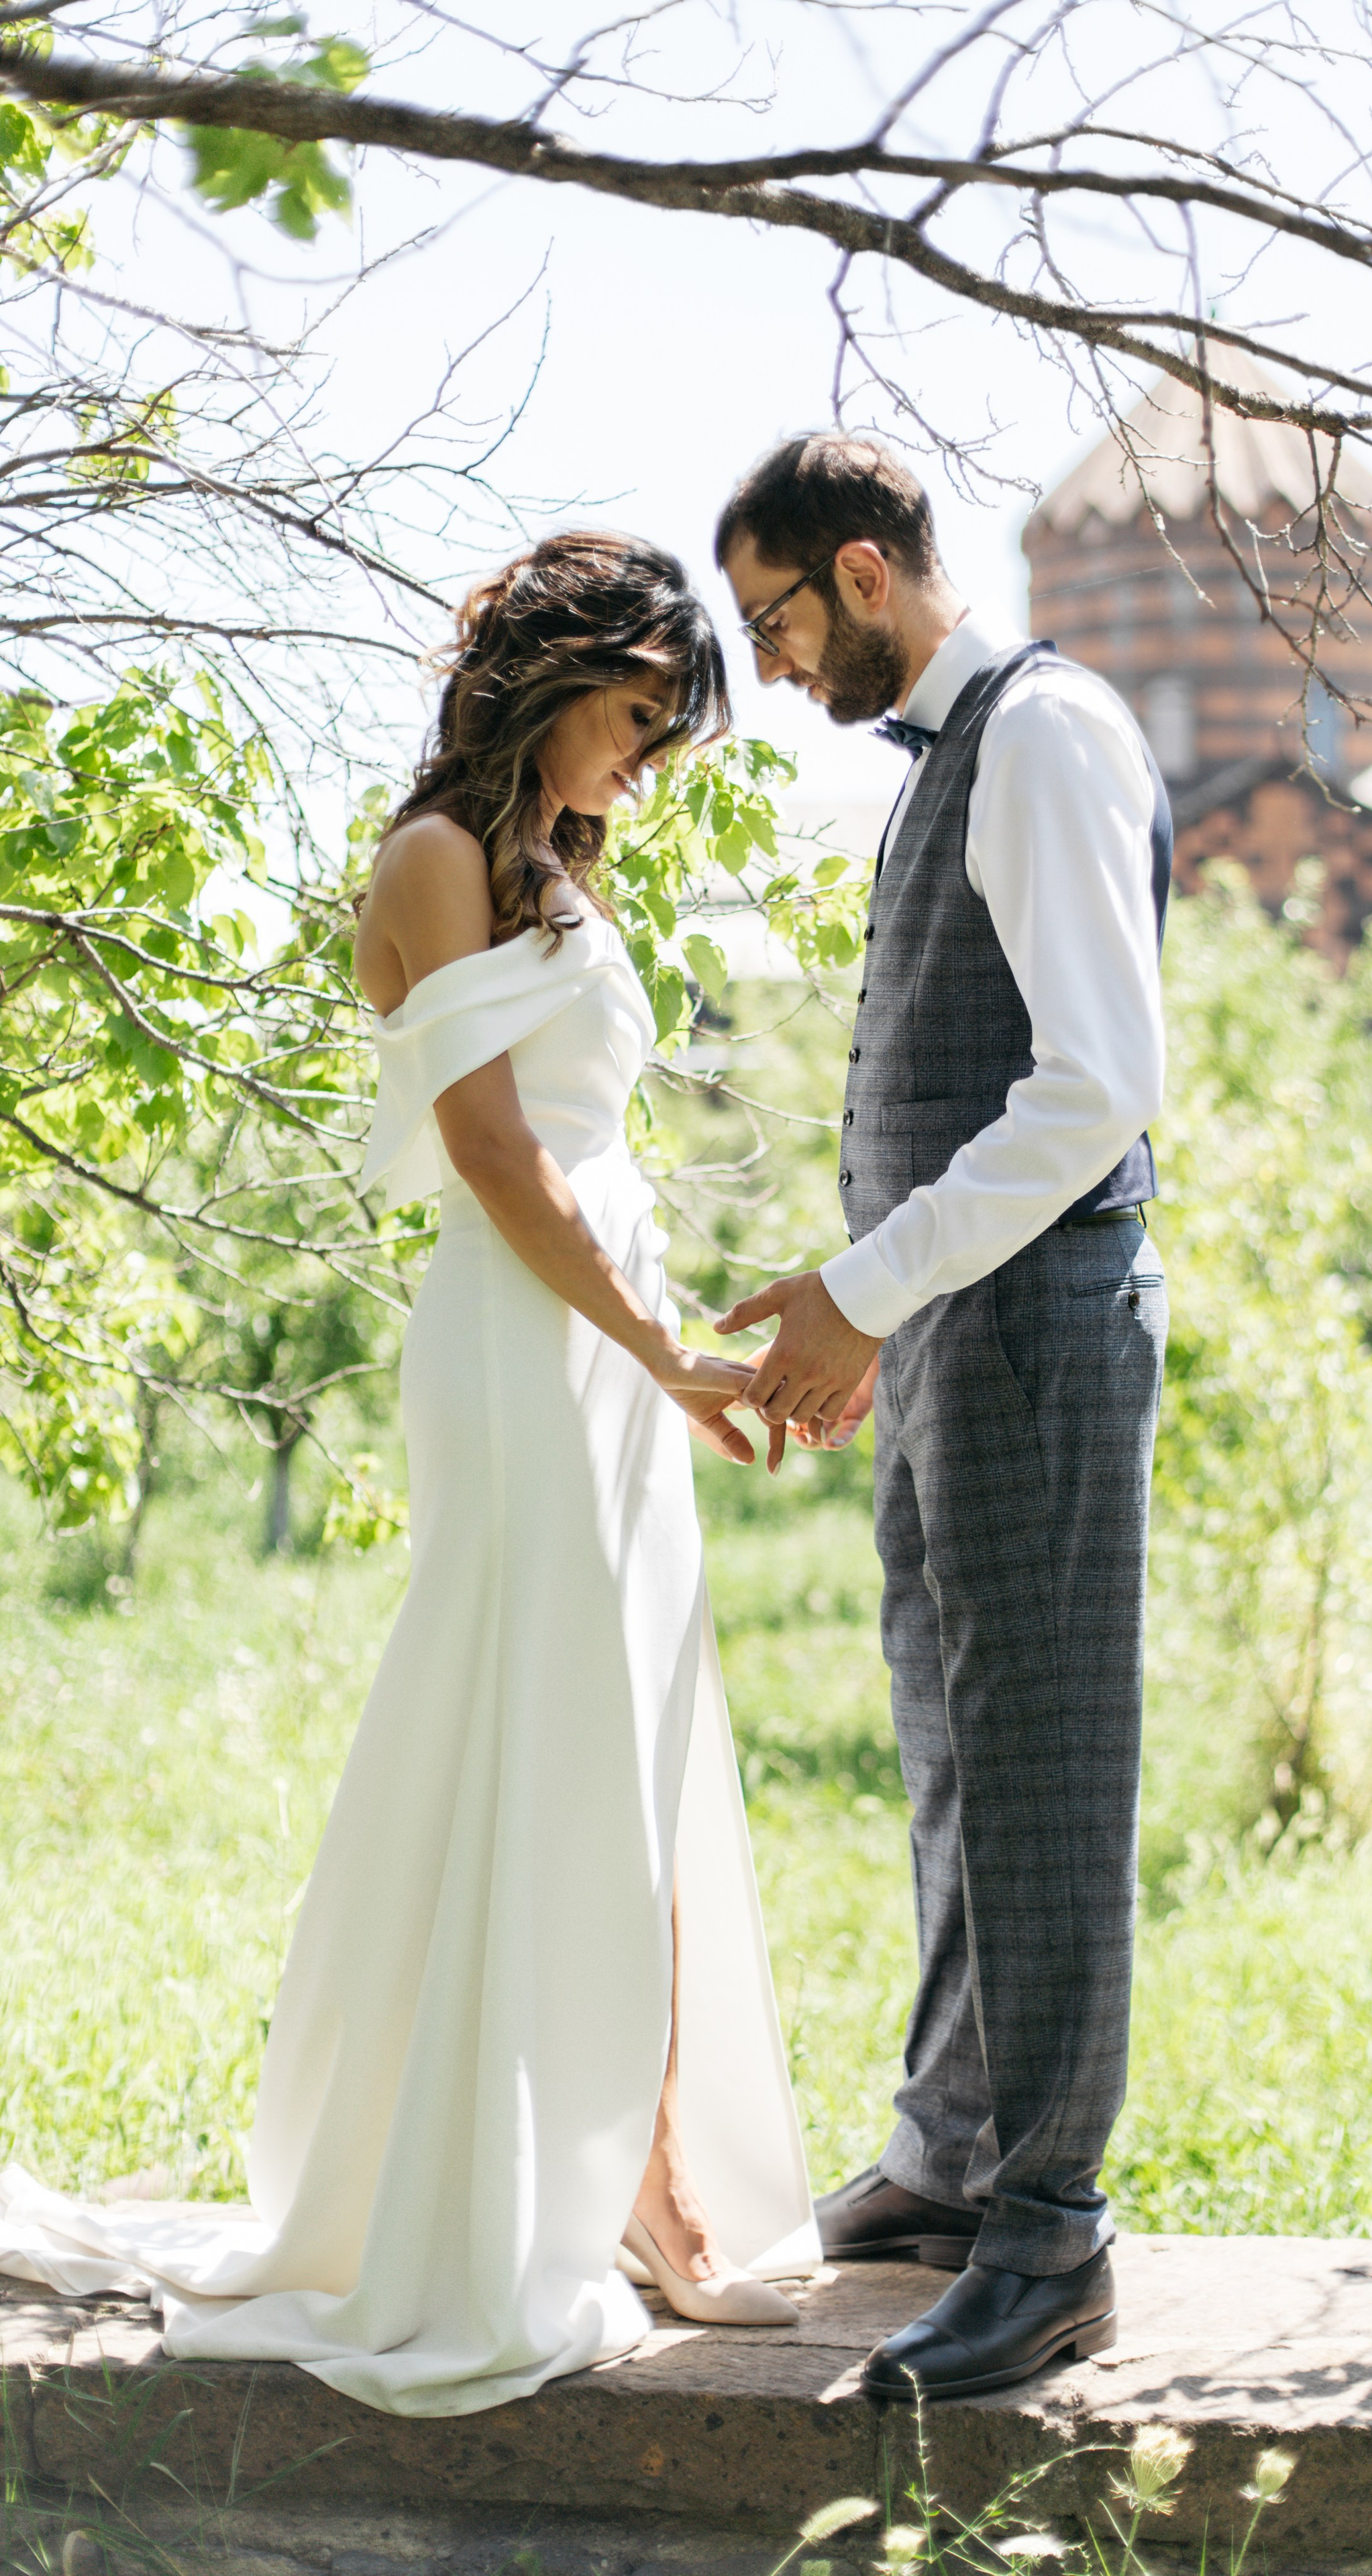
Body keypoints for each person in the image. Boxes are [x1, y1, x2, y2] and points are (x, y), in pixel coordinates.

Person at [0, 529, 817, 2415]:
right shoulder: (437, 859)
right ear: (556, 677)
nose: (648, 760)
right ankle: (618, 2195)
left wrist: (674, 1366)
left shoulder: (546, 868)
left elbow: (585, 1159)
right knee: (543, 1737)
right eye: (637, 717)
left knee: (634, 1735)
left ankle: (646, 2177)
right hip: (528, 1352)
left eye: (666, 734)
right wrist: (654, 1345)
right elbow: (496, 1154)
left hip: (601, 1351)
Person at [715, 435, 1171, 2402]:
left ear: (868, 572)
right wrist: (866, 1321)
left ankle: (1052, 2233)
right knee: (954, 1744)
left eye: (779, 617)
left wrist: (858, 1292)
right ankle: (953, 2152)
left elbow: (1094, 1092)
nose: (773, 658)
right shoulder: (948, 760)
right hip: (949, 1347)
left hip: (1036, 1337)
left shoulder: (1049, 734)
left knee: (1047, 1771)